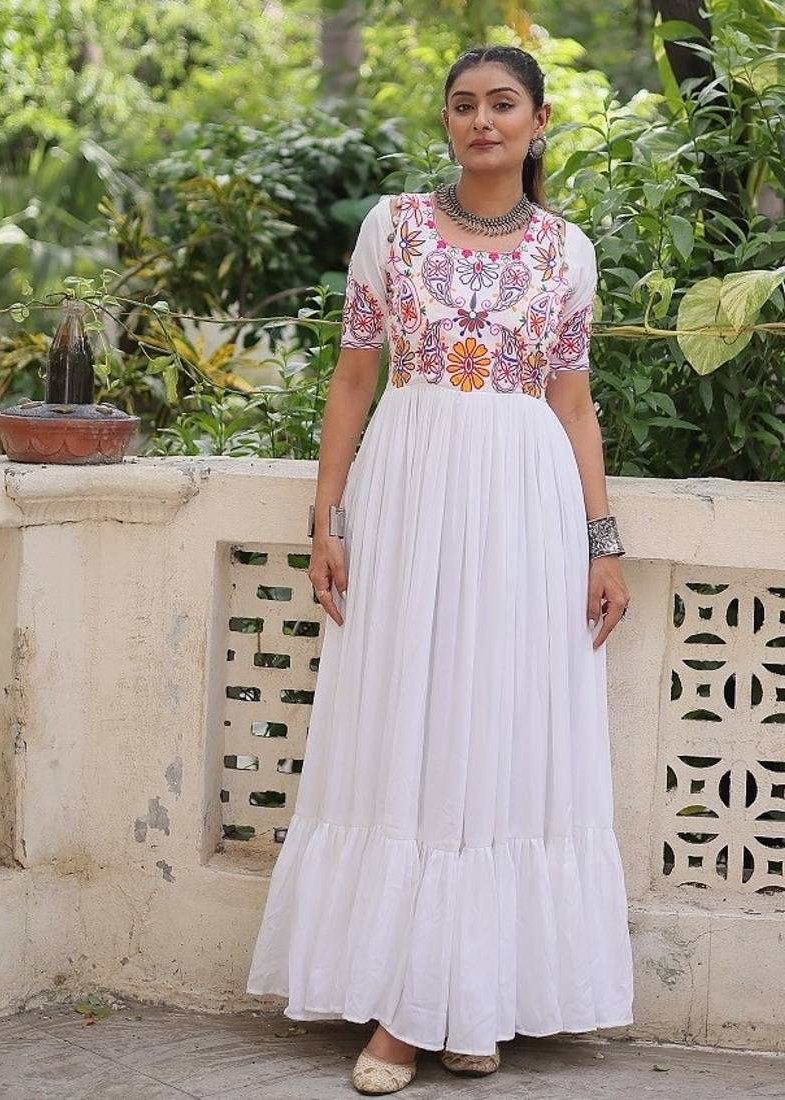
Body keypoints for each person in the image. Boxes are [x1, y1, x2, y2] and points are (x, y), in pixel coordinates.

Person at [246, 44, 635, 1096]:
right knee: (408, 726)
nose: (481, 121)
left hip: (523, 507)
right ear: (447, 122)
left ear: (538, 121)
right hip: (409, 497)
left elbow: (572, 404)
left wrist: (601, 542)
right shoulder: (394, 228)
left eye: (502, 104)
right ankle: (404, 1009)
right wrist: (327, 520)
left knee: (498, 733)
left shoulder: (568, 251)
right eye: (463, 105)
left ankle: (472, 994)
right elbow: (352, 380)